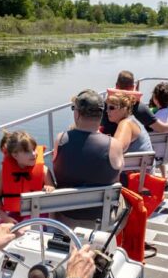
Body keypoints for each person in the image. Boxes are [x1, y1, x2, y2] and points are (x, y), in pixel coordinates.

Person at [53, 89, 124, 227]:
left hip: (65, 217)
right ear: (101, 113)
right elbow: (117, 177)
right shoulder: (114, 145)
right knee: (127, 204)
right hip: (101, 218)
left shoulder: (60, 139)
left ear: (77, 113)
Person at [100, 70, 168, 136]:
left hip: (108, 150)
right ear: (134, 87)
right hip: (133, 155)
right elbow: (161, 128)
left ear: (116, 86)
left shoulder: (105, 105)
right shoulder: (140, 108)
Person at [0, 130, 55, 224]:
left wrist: (50, 188)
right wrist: (5, 218)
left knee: (23, 230)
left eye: (34, 149)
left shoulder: (44, 171)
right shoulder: (2, 175)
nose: (33, 154)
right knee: (1, 230)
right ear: (15, 155)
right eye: (27, 151)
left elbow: (53, 195)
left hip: (39, 214)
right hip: (14, 215)